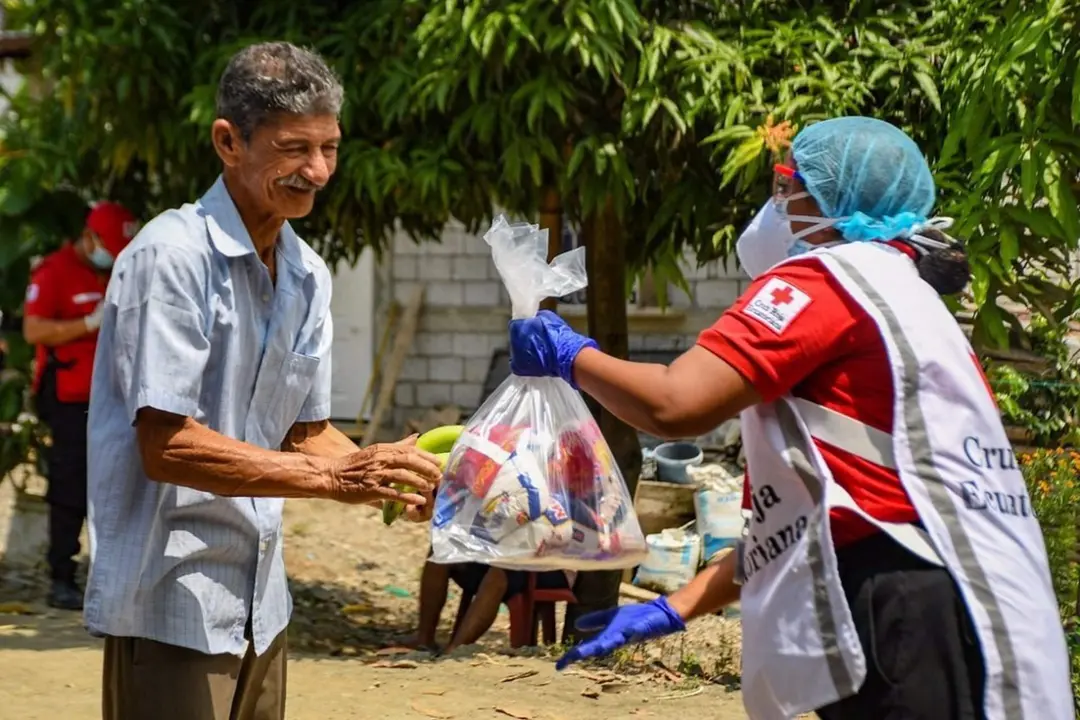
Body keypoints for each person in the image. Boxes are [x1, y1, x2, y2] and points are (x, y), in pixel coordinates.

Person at [509, 117, 1072, 719]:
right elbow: (815, 520)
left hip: (902, 604)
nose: (777, 204)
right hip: (956, 598)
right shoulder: (903, 298)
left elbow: (674, 404)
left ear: (831, 203)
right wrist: (677, 606)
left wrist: (569, 355)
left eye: (789, 185)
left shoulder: (825, 283)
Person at [84, 42, 442, 720]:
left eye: (329, 148)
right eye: (294, 148)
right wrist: (337, 479)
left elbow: (305, 434)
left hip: (261, 604)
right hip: (173, 596)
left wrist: (393, 475)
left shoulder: (307, 274)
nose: (318, 171)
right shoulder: (171, 257)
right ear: (229, 142)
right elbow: (167, 446)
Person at [22, 201, 138, 610]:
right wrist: (86, 324)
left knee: (118, 485)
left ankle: (112, 575)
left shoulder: (118, 273)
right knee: (70, 484)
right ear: (89, 238)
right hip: (70, 399)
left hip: (116, 396)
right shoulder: (54, 272)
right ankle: (62, 576)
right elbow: (33, 329)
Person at [411, 556, 574, 653]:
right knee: (440, 553)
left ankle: (456, 649)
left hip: (547, 566)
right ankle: (424, 641)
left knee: (500, 569)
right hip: (498, 552)